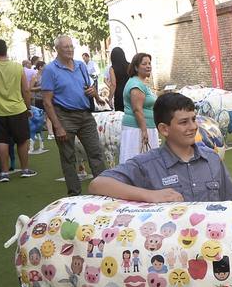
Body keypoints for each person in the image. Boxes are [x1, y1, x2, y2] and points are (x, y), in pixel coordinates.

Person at [90, 92, 232, 203]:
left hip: (211, 243)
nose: (193, 127)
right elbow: (98, 185)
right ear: (164, 129)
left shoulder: (212, 158)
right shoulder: (147, 164)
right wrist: (150, 195)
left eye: (193, 119)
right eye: (184, 122)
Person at [41, 34, 108, 196]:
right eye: (66, 47)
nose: (70, 50)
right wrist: (58, 127)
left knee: (96, 153)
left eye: (71, 46)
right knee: (68, 158)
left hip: (85, 115)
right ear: (57, 49)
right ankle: (74, 195)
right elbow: (47, 102)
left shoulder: (80, 65)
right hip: (64, 117)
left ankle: (104, 191)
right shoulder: (50, 70)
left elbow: (88, 87)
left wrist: (94, 93)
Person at [0, 38, 35, 182]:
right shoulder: (18, 67)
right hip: (18, 109)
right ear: (6, 49)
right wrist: (28, 107)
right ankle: (25, 169)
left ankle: (4, 173)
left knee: (1, 141)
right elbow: (26, 90)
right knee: (23, 140)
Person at [120, 52, 159, 160]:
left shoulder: (140, 83)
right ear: (136, 67)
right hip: (137, 129)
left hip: (144, 127)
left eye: (149, 63)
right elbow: (137, 109)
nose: (148, 66)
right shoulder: (136, 85)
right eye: (144, 64)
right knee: (136, 162)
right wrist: (144, 130)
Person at [105, 47, 129, 114]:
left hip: (119, 94)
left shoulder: (112, 69)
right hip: (130, 91)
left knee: (120, 114)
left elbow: (113, 84)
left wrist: (110, 98)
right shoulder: (130, 65)